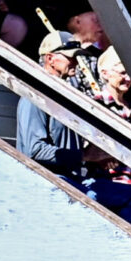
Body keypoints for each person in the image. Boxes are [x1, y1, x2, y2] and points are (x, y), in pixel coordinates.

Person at [17, 32, 89, 175]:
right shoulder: (35, 96)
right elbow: (35, 150)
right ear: (50, 58)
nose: (75, 62)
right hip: (49, 183)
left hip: (73, 180)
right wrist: (86, 156)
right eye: (70, 57)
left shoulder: (64, 97)